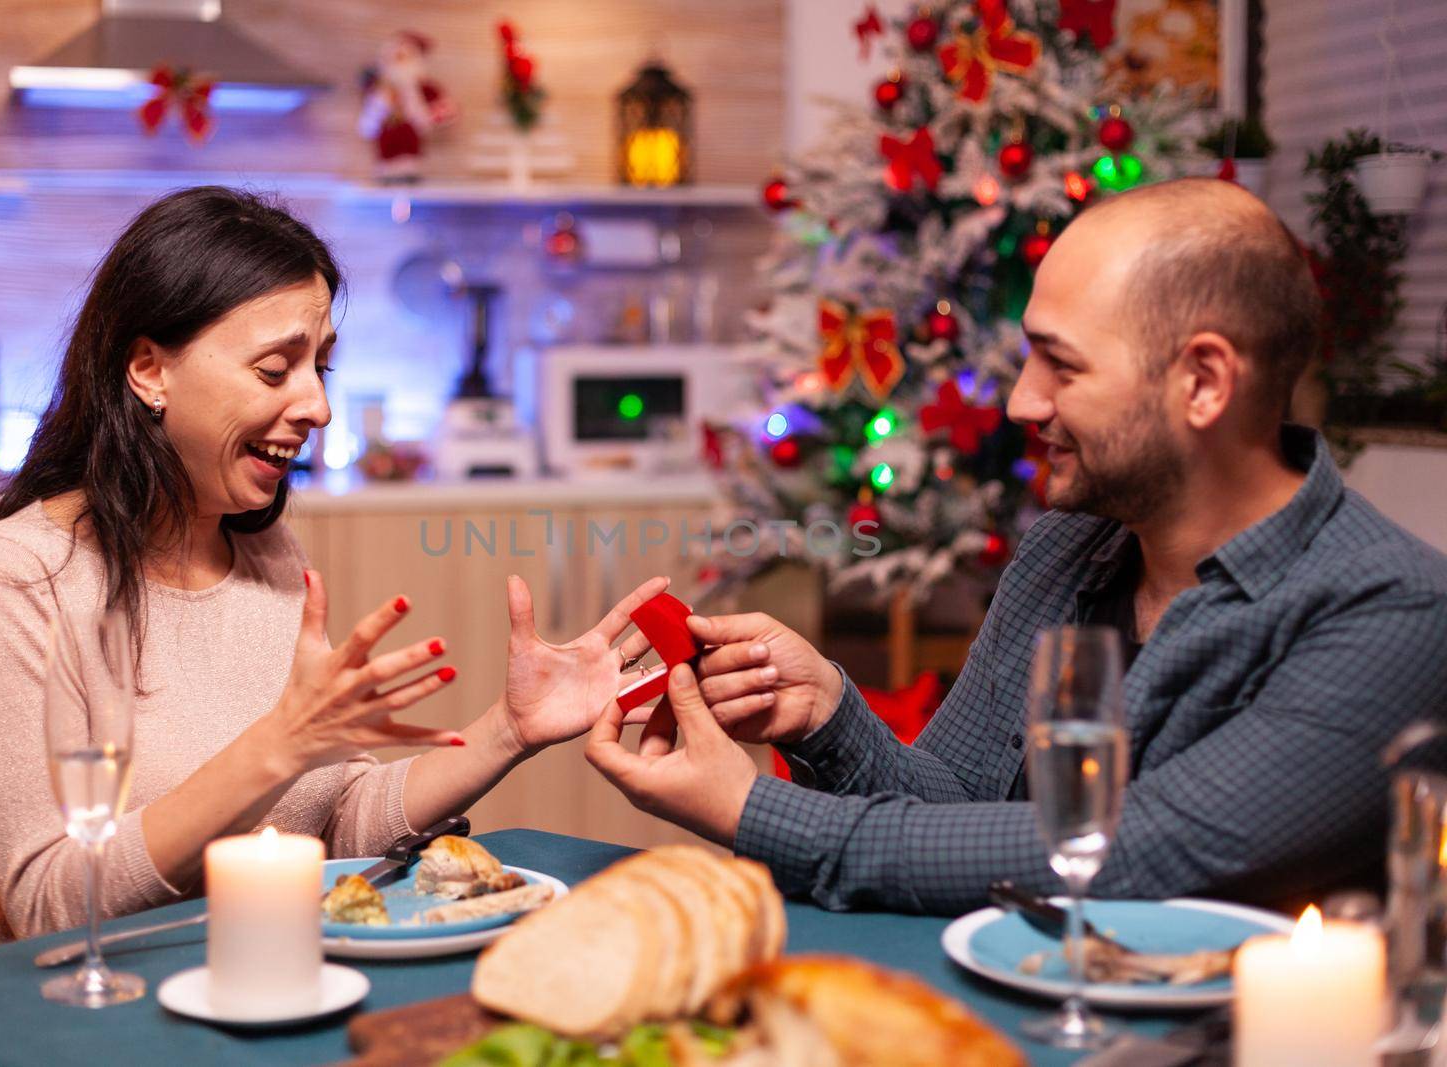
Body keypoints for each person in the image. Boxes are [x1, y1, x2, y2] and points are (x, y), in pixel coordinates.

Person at [587, 178, 1447, 915]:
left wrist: (751, 810)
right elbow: (953, 806)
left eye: (1060, 365)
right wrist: (826, 711)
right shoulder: (1068, 548)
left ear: (1204, 382)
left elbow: (1133, 856)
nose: (1021, 404)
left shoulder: (1393, 611)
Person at [0, 187, 664, 953]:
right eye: (276, 370)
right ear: (149, 369)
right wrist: (276, 745)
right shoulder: (9, 581)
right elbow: (48, 904)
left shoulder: (268, 556)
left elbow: (332, 816)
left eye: (321, 370)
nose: (317, 406)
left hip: (256, 968)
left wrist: (509, 730)